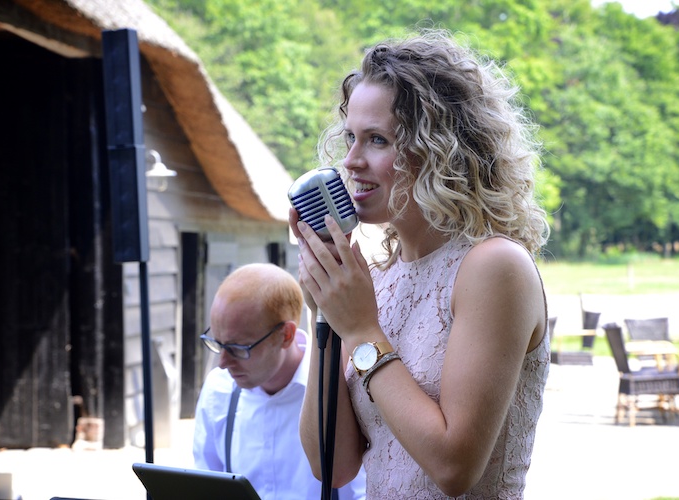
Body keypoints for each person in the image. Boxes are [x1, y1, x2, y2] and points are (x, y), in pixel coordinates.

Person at [292, 29, 551, 499]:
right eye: (349, 137)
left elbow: (453, 468)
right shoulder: (381, 279)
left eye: (377, 140)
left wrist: (363, 332)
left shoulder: (494, 268)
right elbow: (331, 463)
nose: (350, 161)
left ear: (439, 149)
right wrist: (326, 313)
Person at [192, 263, 366, 500]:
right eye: (218, 343)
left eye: (237, 348)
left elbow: (364, 492)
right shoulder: (217, 391)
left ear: (286, 336)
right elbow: (204, 487)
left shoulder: (343, 388)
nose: (222, 362)